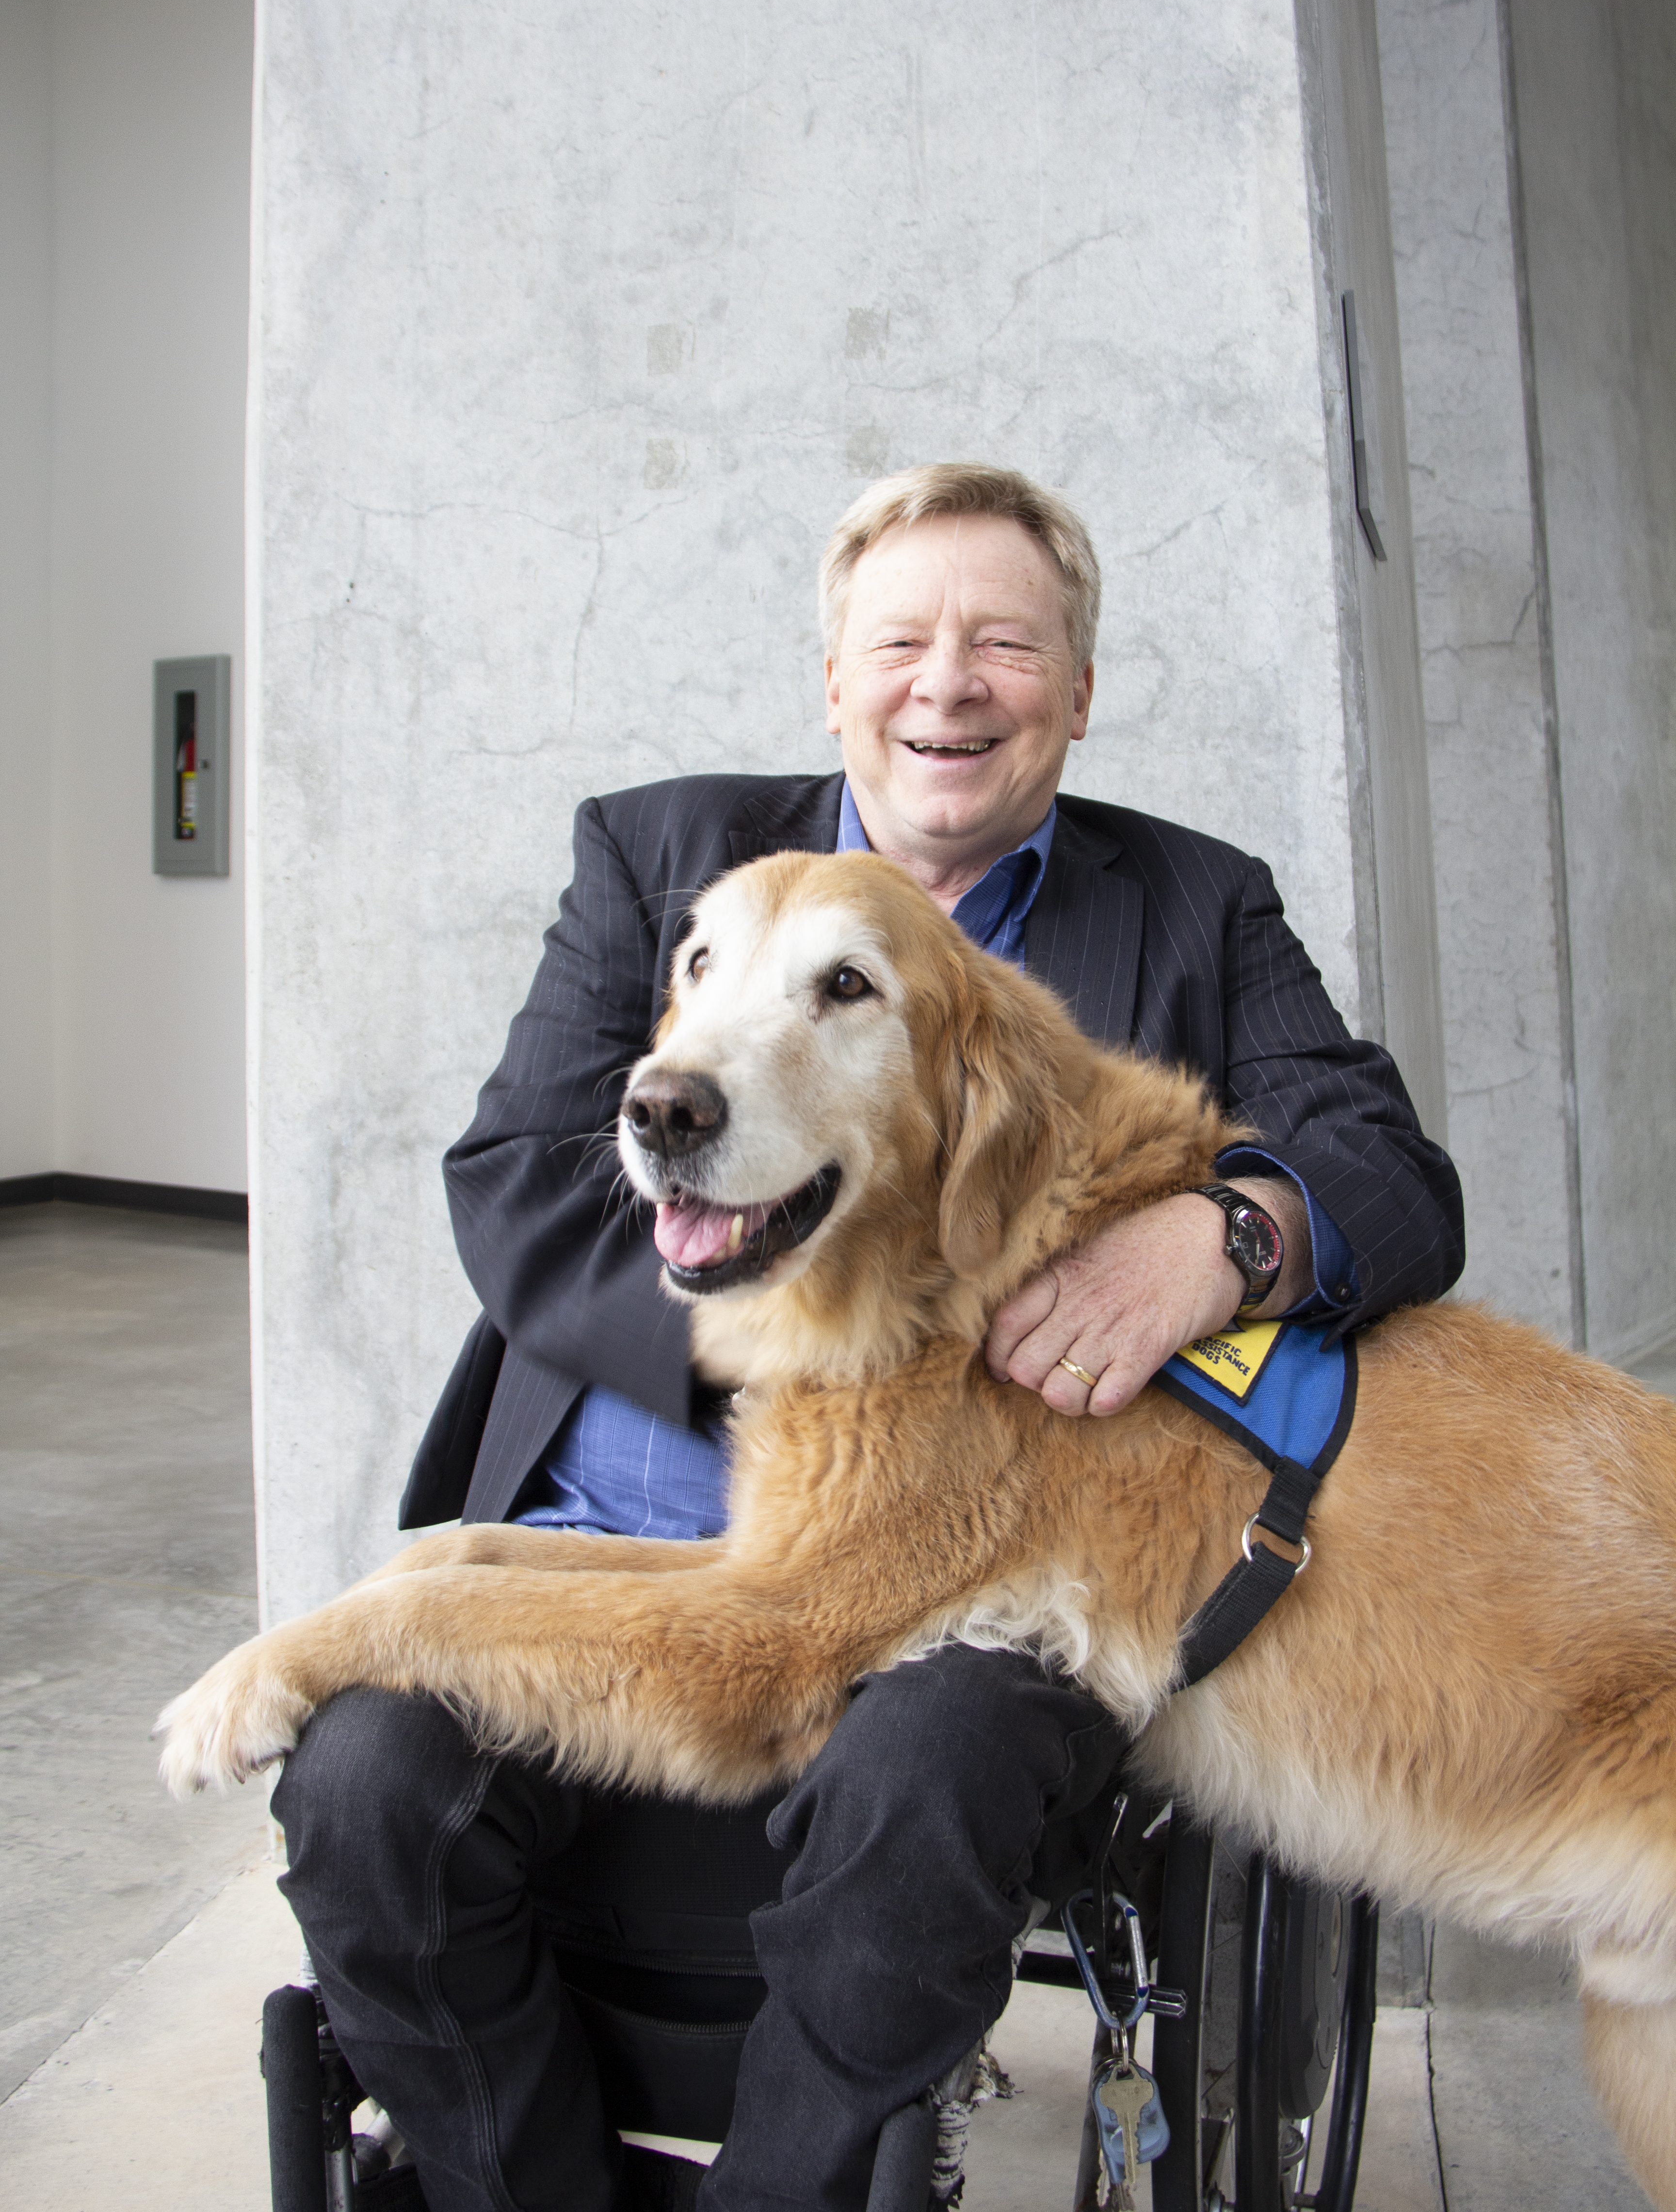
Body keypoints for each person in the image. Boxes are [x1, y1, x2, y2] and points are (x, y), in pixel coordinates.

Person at [273, 464, 1464, 2212]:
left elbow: (1394, 1179)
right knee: (363, 1783)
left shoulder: (1197, 908)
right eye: (900, 641)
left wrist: (1219, 1242)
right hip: (622, 1532)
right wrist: (825, 1348)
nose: (948, 684)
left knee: (933, 1764)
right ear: (835, 682)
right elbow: (519, 1180)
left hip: (965, 1589)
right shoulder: (665, 853)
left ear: (1074, 688)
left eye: (1004, 644)